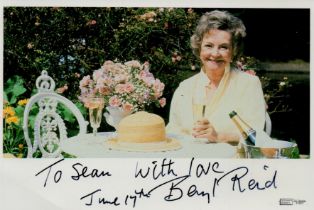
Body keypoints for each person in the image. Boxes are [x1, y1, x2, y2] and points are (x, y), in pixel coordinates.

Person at [166, 10, 266, 144]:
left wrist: (219, 136)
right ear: (199, 47)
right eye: (208, 46)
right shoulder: (185, 87)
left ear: (234, 51)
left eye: (224, 47)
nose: (215, 53)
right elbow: (172, 131)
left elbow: (257, 135)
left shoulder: (248, 84)